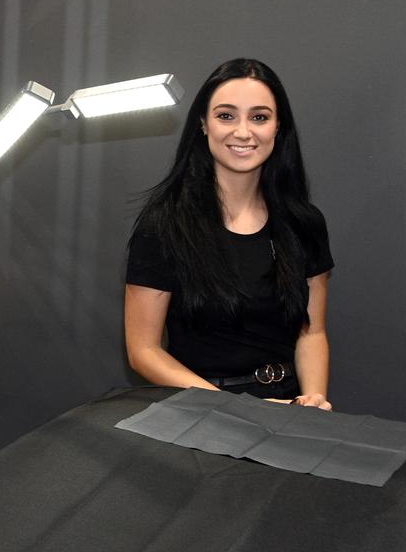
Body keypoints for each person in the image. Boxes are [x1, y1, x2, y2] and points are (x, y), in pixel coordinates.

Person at [124, 59, 334, 408]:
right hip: (201, 411)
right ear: (203, 124)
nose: (242, 132)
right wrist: (240, 411)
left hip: (287, 411)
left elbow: (312, 332)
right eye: (226, 116)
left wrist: (313, 404)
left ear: (278, 127)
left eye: (259, 117)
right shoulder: (164, 224)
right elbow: (143, 351)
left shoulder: (304, 223)